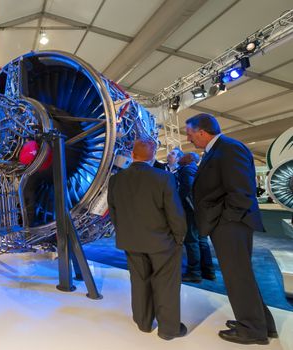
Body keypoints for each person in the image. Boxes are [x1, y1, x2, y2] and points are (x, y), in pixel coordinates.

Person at [186, 113, 277, 345]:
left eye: (190, 134)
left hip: (231, 225)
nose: (189, 139)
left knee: (237, 276)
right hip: (228, 223)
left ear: (202, 132)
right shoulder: (219, 149)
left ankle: (252, 330)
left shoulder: (228, 148)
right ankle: (262, 324)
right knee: (241, 275)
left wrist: (225, 220)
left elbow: (241, 191)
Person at [107, 139, 187, 340]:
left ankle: (143, 323)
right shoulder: (164, 178)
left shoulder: (116, 180)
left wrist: (124, 233)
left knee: (139, 281)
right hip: (162, 242)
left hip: (131, 241)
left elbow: (114, 212)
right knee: (166, 284)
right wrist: (179, 237)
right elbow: (175, 213)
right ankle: (169, 329)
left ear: (132, 155)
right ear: (152, 157)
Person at [176, 152, 215, 282]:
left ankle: (194, 273)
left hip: (191, 212)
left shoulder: (187, 170)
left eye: (183, 156)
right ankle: (208, 271)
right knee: (202, 241)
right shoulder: (196, 170)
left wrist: (179, 202)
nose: (180, 158)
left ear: (190, 159)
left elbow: (188, 190)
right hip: (200, 211)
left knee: (191, 241)